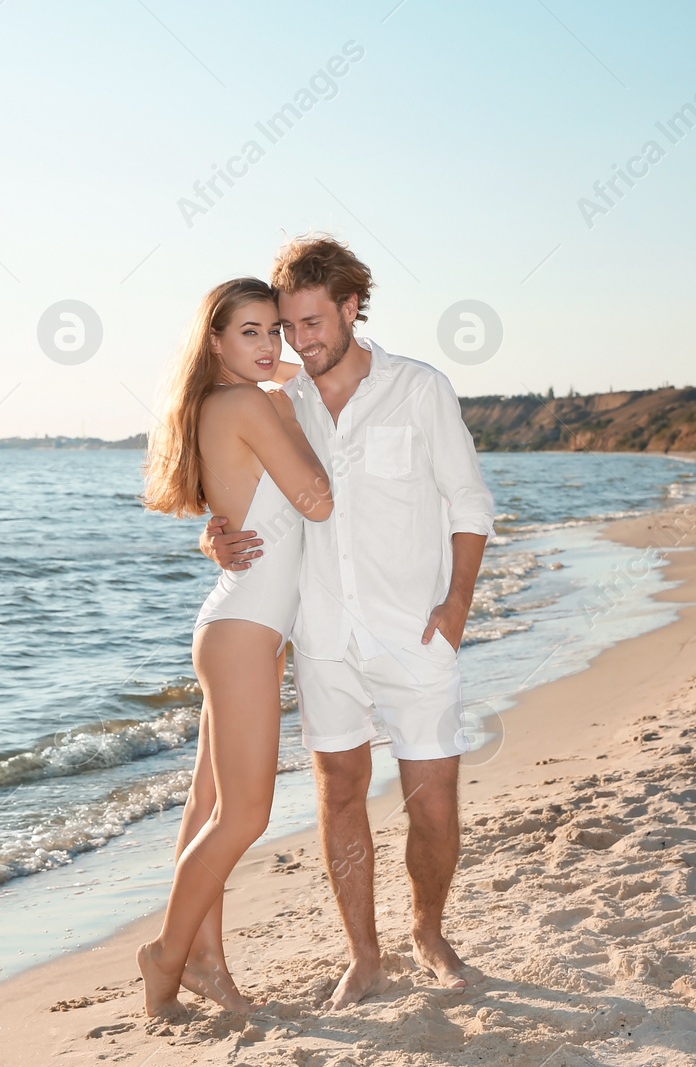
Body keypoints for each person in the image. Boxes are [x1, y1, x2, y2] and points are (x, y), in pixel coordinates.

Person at [203, 236, 494, 1008]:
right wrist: (216, 533)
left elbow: (469, 504)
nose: (298, 341)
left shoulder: (420, 389)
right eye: (287, 327)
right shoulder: (280, 400)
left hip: (417, 632)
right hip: (323, 636)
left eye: (310, 323)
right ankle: (364, 955)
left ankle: (427, 931)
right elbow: (246, 496)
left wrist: (457, 601)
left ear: (350, 308)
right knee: (339, 795)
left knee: (433, 799)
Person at [138, 277, 333, 1020]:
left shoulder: (217, 403)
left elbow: (258, 503)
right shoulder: (252, 403)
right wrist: (296, 406)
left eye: (273, 332)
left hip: (237, 623)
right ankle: (166, 954)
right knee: (244, 814)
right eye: (249, 331)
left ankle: (206, 960)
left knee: (209, 802)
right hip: (246, 626)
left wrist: (284, 388)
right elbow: (316, 498)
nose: (269, 346)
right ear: (215, 340)